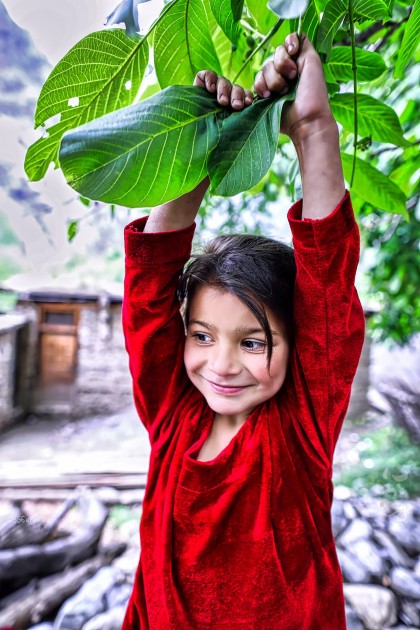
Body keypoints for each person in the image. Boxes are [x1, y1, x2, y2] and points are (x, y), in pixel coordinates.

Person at [121, 31, 365, 630]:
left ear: (298, 343)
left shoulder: (300, 430)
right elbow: (149, 286)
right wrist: (204, 139)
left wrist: (311, 131)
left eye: (253, 342)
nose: (221, 364)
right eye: (202, 335)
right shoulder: (171, 413)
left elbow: (329, 286)